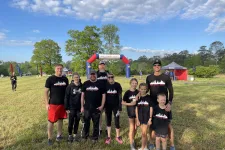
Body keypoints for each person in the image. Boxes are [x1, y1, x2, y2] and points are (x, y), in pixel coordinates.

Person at [146, 59, 175, 150]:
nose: (157, 66)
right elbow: (146, 90)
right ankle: (151, 142)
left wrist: (169, 103)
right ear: (153, 67)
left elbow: (171, 91)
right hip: (153, 105)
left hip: (164, 105)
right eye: (155, 65)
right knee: (151, 124)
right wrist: (139, 94)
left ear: (160, 66)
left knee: (168, 125)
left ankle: (172, 145)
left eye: (158, 65)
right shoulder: (149, 78)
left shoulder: (166, 77)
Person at [44, 64, 69, 146]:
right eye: (58, 68)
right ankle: (50, 138)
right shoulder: (50, 79)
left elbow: (67, 92)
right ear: (55, 69)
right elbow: (45, 92)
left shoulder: (65, 79)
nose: (59, 70)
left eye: (61, 69)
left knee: (60, 119)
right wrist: (47, 103)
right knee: (51, 121)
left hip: (62, 104)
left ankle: (59, 135)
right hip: (53, 104)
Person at [81, 70, 106, 142]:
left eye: (94, 74)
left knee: (96, 123)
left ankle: (95, 137)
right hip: (87, 107)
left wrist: (102, 106)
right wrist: (82, 106)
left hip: (96, 108)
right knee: (86, 123)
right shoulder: (85, 83)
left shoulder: (100, 84)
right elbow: (82, 96)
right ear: (89, 75)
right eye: (91, 74)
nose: (92, 76)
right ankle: (85, 136)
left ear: (96, 75)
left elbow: (104, 96)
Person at [104, 73, 123, 145]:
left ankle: (118, 136)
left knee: (117, 121)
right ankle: (108, 137)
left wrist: (120, 107)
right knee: (108, 121)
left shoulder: (117, 85)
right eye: (109, 77)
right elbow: (103, 96)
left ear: (113, 77)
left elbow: (120, 96)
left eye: (112, 77)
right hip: (108, 106)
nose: (110, 78)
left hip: (116, 106)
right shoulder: (105, 85)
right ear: (107, 78)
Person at [64, 73, 82, 142]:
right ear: (72, 78)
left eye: (77, 77)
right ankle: (70, 135)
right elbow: (66, 97)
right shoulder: (69, 87)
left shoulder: (81, 86)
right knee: (71, 122)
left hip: (79, 107)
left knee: (77, 121)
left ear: (79, 78)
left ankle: (75, 135)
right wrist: (66, 108)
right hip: (71, 107)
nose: (76, 78)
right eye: (75, 77)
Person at [122, 78, 139, 150]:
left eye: (135, 83)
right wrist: (130, 104)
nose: (134, 84)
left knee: (135, 128)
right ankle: (131, 143)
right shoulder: (127, 92)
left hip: (138, 113)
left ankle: (133, 139)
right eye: (133, 83)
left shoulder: (138, 92)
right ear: (130, 83)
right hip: (131, 112)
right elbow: (122, 102)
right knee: (132, 128)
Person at [136, 83, 153, 150]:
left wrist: (150, 118)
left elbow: (151, 108)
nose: (143, 90)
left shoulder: (149, 97)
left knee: (144, 133)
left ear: (146, 90)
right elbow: (136, 109)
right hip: (140, 118)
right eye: (141, 89)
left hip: (147, 118)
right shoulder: (138, 98)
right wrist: (137, 119)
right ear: (139, 89)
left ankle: (143, 147)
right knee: (143, 133)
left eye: (144, 89)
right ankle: (145, 147)